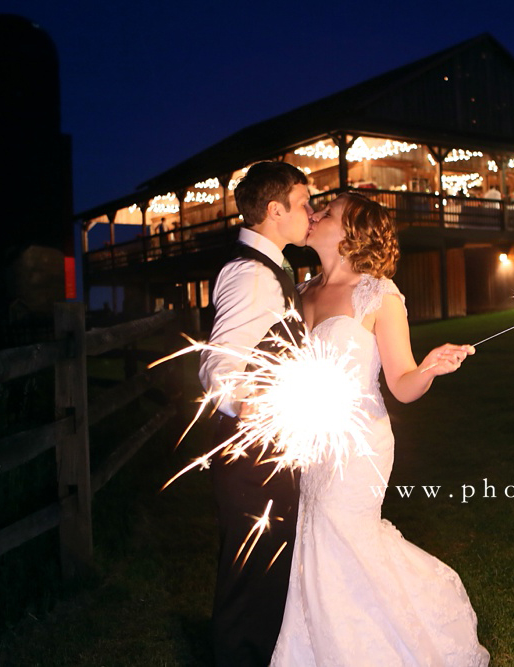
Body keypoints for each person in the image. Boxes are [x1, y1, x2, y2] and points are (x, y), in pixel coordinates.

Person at [271, 192, 489, 665]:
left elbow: (402, 385)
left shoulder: (379, 293)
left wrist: (428, 368)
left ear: (352, 234)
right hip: (311, 444)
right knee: (316, 542)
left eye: (326, 212)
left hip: (359, 448)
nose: (314, 215)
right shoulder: (300, 292)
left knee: (336, 532)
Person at [198, 161, 314, 666]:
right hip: (251, 459)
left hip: (268, 454)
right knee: (249, 588)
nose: (311, 212)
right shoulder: (250, 272)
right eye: (305, 202)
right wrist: (247, 404)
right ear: (275, 210)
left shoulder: (270, 269)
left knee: (266, 581)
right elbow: (217, 362)